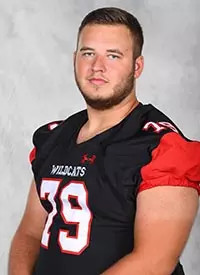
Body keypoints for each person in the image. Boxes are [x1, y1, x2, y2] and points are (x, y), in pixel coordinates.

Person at [8, 7, 200, 275]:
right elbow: (29, 234)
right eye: (88, 53)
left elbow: (154, 262)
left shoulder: (162, 147)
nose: (97, 67)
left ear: (137, 66)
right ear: (75, 59)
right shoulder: (52, 138)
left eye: (113, 55)